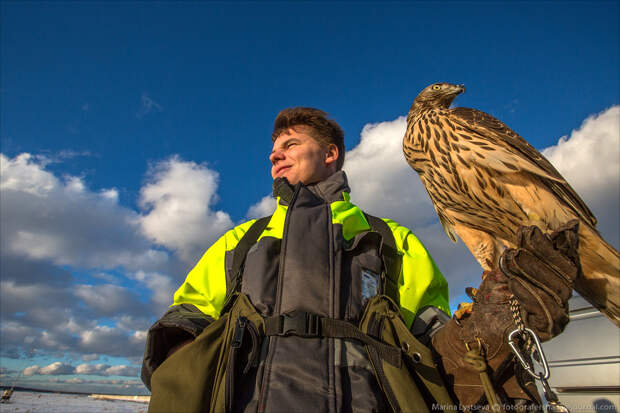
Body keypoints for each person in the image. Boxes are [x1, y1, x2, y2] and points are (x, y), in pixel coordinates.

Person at [141, 108, 580, 413]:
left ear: (330, 154)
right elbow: (188, 318)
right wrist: (187, 373)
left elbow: (437, 342)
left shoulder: (391, 240)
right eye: (274, 149)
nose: (275, 155)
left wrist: (491, 334)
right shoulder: (242, 240)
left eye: (291, 144)